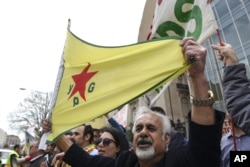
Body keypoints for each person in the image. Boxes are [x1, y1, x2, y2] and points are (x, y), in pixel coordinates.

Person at [51, 37, 225, 167]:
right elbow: (86, 162)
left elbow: (204, 140)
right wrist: (56, 129)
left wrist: (197, 76)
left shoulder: (181, 161)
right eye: (138, 128)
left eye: (151, 128)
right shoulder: (126, 163)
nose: (142, 133)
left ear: (166, 139)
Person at [211, 42, 250, 167]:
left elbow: (240, 105)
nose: (230, 112)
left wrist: (232, 64)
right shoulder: (223, 142)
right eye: (229, 109)